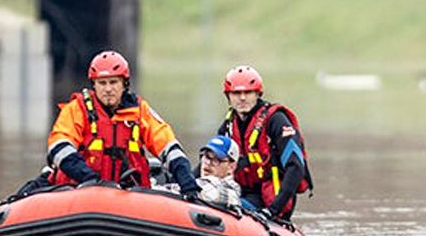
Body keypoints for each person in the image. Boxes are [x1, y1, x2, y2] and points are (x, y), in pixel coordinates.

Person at [45, 50, 201, 197]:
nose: (108, 89)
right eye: (102, 83)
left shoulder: (139, 112)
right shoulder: (77, 109)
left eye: (113, 82)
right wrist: (89, 178)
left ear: (124, 84)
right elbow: (59, 146)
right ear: (94, 85)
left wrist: (187, 182)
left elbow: (167, 145)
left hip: (129, 195)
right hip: (81, 191)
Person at [214, 65, 311, 221]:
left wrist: (272, 210)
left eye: (248, 92)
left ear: (258, 94)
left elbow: (296, 167)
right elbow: (209, 162)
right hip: (240, 192)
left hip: (270, 200)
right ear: (228, 96)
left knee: (224, 205)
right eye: (236, 93)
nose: (242, 98)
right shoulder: (229, 126)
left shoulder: (276, 120)